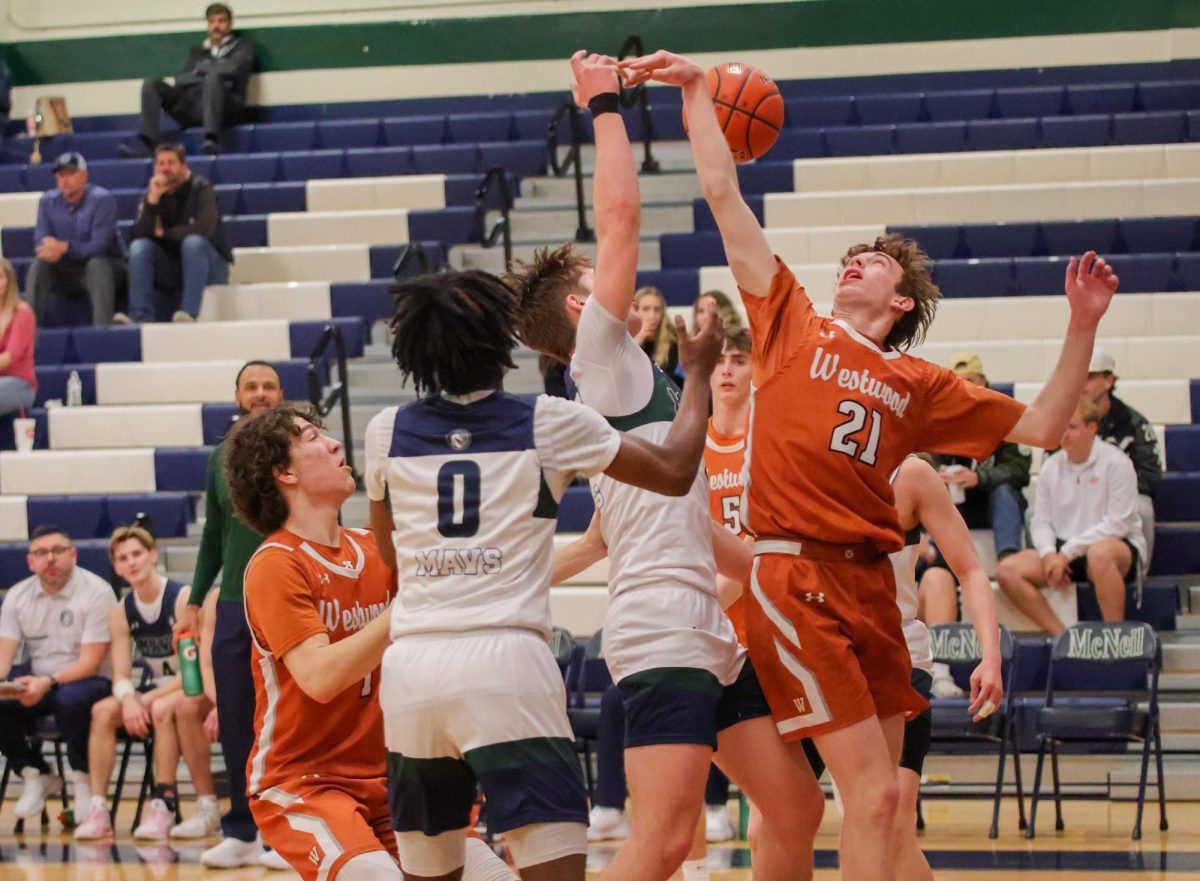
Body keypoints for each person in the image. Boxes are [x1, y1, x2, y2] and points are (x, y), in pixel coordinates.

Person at [624, 48, 1118, 881]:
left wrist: (1082, 325)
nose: (854, 263)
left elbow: (1039, 424)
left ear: (900, 302)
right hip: (796, 576)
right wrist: (698, 92)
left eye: (875, 262)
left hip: (870, 586)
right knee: (875, 794)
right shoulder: (791, 321)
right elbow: (722, 192)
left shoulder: (918, 383)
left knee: (882, 801)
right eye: (850, 257)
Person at [504, 52, 823, 881]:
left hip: (702, 620)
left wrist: (783, 572)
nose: (617, 273)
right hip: (659, 624)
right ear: (582, 306)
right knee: (665, 839)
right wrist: (606, 105)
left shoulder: (633, 384)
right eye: (597, 276)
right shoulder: (600, 358)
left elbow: (693, 522)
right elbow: (619, 218)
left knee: (795, 805)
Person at [228, 403, 517, 881]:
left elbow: (480, 577)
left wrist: (591, 547)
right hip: (305, 783)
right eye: (311, 438)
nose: (333, 443)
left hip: (394, 777)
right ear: (284, 473)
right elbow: (320, 677)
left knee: (495, 878)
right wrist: (407, 603)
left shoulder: (373, 546)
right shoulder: (276, 563)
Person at [172, 359, 283, 869]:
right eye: (251, 386)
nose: (260, 393)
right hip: (235, 604)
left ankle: (283, 832)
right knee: (236, 719)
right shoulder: (219, 457)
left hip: (285, 599)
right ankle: (242, 828)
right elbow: (213, 535)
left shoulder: (297, 448)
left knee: (282, 722)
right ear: (238, 396)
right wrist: (196, 600)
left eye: (269, 386)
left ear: (281, 396)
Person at [886, 456, 1003, 881]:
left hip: (899, 659)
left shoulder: (912, 474)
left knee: (892, 827)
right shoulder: (809, 457)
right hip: (825, 659)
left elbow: (970, 570)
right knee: (776, 821)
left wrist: (990, 655)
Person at [73, 527, 220, 841]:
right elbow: (121, 675)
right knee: (102, 711)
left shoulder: (182, 599)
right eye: (123, 558)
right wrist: (129, 700)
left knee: (162, 707)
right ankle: (98, 810)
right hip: (157, 689)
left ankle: (163, 805)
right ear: (116, 568)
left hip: (194, 683)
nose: (131, 562)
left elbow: (193, 669)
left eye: (137, 554)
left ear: (153, 555)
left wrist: (145, 699)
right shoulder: (121, 612)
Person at [918, 352, 1030, 696]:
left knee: (1007, 492)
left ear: (984, 384)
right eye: (960, 382)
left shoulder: (1001, 417)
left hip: (987, 504)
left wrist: (979, 478)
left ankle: (1008, 554)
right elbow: (919, 467)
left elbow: (1019, 471)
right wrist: (935, 478)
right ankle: (937, 670)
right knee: (937, 574)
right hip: (950, 511)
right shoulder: (935, 422)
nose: (966, 387)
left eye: (972, 381)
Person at [997, 396, 1145, 636]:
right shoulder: (1050, 466)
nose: (1064, 434)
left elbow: (1118, 523)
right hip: (1064, 549)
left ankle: (1116, 638)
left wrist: (1066, 553)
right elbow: (1041, 520)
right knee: (1007, 570)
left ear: (1092, 428)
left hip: (1113, 546)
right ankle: (1064, 637)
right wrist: (1048, 555)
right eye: (1061, 427)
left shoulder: (1117, 463)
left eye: (1072, 427)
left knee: (1100, 555)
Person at [0, 526, 116, 820]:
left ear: (73, 555)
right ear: (31, 562)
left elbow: (90, 662)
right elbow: (4, 657)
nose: (50, 558)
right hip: (39, 683)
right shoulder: (17, 596)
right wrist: (8, 686)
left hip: (90, 682)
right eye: (41, 553)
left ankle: (83, 782)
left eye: (58, 551)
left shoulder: (98, 592)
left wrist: (47, 683)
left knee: (69, 699)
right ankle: (35, 773)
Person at [121, 3, 256, 158]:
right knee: (151, 84)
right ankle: (146, 141)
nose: (216, 26)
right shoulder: (196, 52)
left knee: (213, 79)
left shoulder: (242, 47)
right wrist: (212, 70)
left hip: (226, 110)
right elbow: (181, 80)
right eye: (212, 21)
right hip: (194, 107)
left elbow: (232, 69)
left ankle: (210, 139)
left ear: (230, 24)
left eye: (221, 21)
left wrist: (201, 70)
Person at [117, 143, 232, 325]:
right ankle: (140, 316)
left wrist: (164, 234)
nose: (165, 168)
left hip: (210, 266)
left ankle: (189, 313)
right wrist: (153, 200)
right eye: (161, 163)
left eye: (171, 162)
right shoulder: (152, 193)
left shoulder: (202, 189)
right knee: (140, 247)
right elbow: (138, 235)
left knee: (193, 243)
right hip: (174, 267)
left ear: (184, 166)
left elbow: (203, 229)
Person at [25, 152, 125, 328]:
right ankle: (28, 328)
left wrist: (65, 247)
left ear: (85, 176)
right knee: (40, 263)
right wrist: (49, 250)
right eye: (61, 175)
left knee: (96, 264)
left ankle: (103, 331)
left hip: (107, 267)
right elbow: (40, 240)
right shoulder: (47, 201)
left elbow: (99, 246)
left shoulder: (102, 199)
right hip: (66, 269)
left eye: (70, 174)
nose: (65, 180)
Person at [1084, 350, 1161, 564]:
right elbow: (1051, 466)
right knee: (1034, 514)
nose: (1081, 383)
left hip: (1120, 497)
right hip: (1076, 494)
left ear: (1108, 381)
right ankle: (1053, 575)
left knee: (1143, 509)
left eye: (1090, 377)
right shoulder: (1064, 421)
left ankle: (1138, 573)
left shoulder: (1134, 423)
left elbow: (1150, 476)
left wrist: (1108, 490)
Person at [0, 256, 35, 418]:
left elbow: (9, 357)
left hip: (19, 384)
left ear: (9, 282)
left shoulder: (22, 313)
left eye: (0, 278)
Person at [633, 286, 678, 376]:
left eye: (657, 310)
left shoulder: (673, 343)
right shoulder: (623, 340)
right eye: (646, 309)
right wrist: (637, 341)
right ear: (634, 311)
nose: (652, 316)